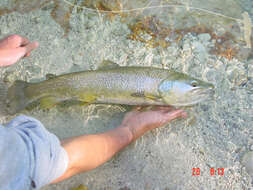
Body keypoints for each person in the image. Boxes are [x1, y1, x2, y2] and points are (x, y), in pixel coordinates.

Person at [0, 34, 187, 190]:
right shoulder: (10, 163)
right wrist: (129, 131)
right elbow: (60, 161)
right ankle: (33, 91)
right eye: (192, 86)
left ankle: (34, 91)